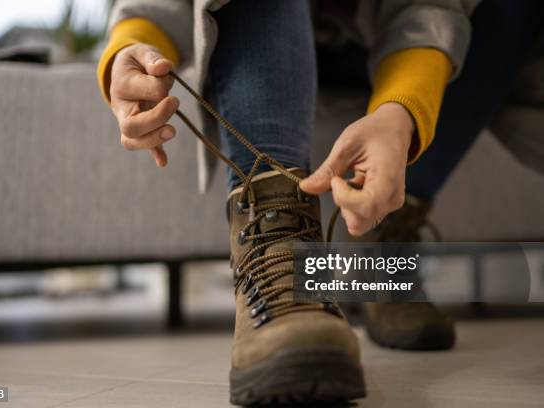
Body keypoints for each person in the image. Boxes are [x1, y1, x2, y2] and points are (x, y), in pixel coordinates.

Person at [97, 0, 481, 404]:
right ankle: (279, 245)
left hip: (377, 42)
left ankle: (383, 245)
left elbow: (434, 8)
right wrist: (132, 43)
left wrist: (401, 109)